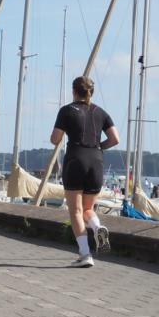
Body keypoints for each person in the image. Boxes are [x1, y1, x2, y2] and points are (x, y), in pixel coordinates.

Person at [50, 76, 119, 268]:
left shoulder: (66, 110)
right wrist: (98, 147)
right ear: (91, 92)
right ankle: (97, 227)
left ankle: (85, 254)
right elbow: (115, 138)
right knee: (88, 209)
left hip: (75, 160)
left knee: (76, 211)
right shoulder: (101, 112)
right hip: (96, 160)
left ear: (74, 91)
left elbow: (55, 139)